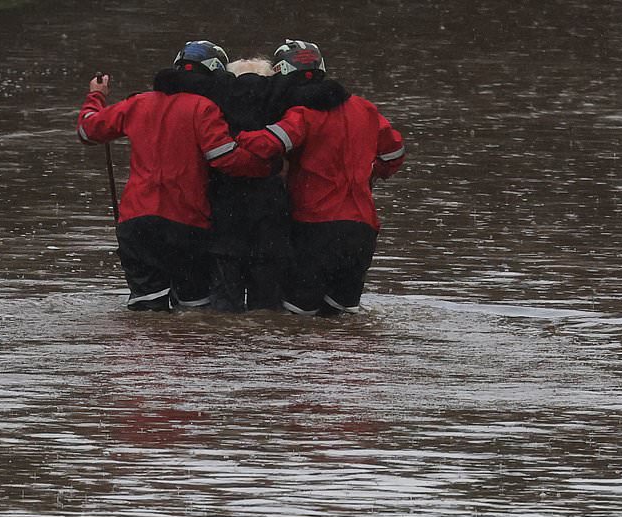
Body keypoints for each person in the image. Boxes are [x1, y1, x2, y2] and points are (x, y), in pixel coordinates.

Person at [77, 40, 275, 311]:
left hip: (136, 223)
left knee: (147, 310)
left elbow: (88, 131)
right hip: (186, 222)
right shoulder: (203, 108)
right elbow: (224, 158)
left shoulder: (137, 103)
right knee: (194, 310)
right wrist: (265, 167)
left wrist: (96, 96)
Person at [237, 39, 405, 316]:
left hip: (316, 227)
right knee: (342, 317)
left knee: (298, 318)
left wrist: (233, 136)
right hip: (362, 229)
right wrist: (372, 176)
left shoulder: (303, 114)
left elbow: (265, 144)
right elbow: (394, 153)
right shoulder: (365, 109)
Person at [205, 57, 292, 312]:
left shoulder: (217, 111)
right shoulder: (282, 112)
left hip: (225, 211)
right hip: (270, 213)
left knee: (224, 299)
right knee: (266, 301)